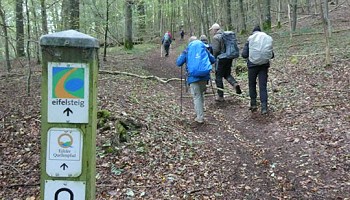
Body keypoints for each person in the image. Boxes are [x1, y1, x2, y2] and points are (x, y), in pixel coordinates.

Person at [176, 36, 216, 123]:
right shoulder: (203, 48)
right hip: (204, 76)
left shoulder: (187, 50)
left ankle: (200, 117)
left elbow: (179, 62)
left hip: (193, 77)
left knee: (196, 96)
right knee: (200, 94)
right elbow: (213, 60)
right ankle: (201, 111)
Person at [241, 25, 274, 115]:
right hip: (264, 65)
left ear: (253, 32)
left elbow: (244, 54)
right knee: (262, 86)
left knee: (252, 84)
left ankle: (253, 104)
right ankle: (264, 107)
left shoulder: (250, 39)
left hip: (252, 65)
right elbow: (271, 55)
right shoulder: (266, 38)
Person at [209, 23, 242, 102]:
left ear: (215, 30)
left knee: (218, 77)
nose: (211, 32)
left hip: (221, 59)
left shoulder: (216, 37)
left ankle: (220, 96)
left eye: (212, 30)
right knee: (227, 74)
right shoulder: (225, 35)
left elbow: (216, 50)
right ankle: (235, 84)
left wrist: (213, 58)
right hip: (229, 57)